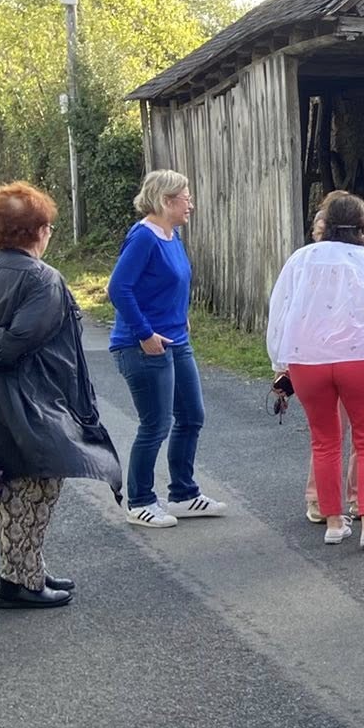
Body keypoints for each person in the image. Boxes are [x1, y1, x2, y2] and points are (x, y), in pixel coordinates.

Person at [0, 182, 122, 609]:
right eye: (49, 227)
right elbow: (21, 336)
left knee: (14, 483)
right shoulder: (43, 279)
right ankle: (18, 583)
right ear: (40, 230)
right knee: (32, 485)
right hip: (29, 402)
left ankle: (28, 568)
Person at [266, 191, 364, 550]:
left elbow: (279, 310)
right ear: (363, 226)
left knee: (324, 440)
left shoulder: (300, 259)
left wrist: (278, 361)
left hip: (306, 358)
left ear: (325, 223)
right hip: (358, 356)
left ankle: (333, 522)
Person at [108, 169, 223, 527]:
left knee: (191, 416)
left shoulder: (171, 235)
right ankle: (140, 501)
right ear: (166, 200)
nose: (191, 204)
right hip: (142, 346)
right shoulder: (143, 237)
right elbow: (118, 288)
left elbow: (169, 282)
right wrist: (144, 332)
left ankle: (184, 494)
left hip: (176, 339)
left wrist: (181, 314)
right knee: (155, 424)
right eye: (185, 197)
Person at [298, 206, 357, 528]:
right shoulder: (303, 263)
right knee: (329, 434)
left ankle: (360, 498)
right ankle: (320, 499)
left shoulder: (359, 261)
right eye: (319, 224)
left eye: (327, 225)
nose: (322, 230)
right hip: (318, 356)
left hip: (356, 356)